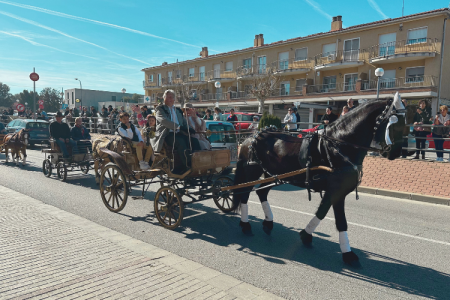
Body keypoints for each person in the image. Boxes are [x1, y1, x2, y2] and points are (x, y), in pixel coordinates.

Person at [151, 89, 201, 175]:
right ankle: (187, 166)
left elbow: (184, 122)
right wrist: (178, 127)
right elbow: (163, 120)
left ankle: (199, 162)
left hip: (179, 133)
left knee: (194, 141)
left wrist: (189, 129)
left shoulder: (178, 110)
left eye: (172, 97)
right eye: (168, 97)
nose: (170, 99)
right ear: (164, 98)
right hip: (166, 134)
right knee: (181, 142)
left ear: (174, 99)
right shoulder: (160, 109)